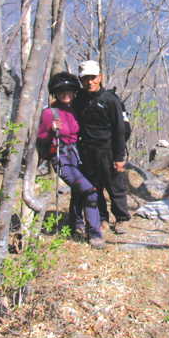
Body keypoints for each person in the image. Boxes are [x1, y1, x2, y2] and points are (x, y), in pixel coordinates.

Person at [37, 72, 105, 249]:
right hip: (61, 158)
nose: (65, 93)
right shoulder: (49, 113)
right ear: (55, 93)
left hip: (78, 155)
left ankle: (76, 225)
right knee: (89, 191)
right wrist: (52, 130)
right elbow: (39, 137)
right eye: (61, 90)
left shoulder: (74, 108)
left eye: (69, 89)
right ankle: (94, 234)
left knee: (78, 192)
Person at [73, 60, 131, 234]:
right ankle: (101, 219)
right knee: (94, 187)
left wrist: (119, 158)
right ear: (80, 80)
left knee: (114, 186)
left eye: (93, 77)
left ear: (100, 77)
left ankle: (122, 218)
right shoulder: (80, 100)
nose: (89, 82)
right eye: (85, 79)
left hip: (108, 150)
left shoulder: (110, 101)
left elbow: (121, 130)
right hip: (87, 150)